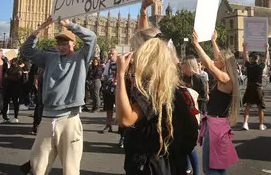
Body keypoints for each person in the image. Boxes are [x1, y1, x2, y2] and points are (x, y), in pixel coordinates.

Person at [116, 27, 199, 174]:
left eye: (135, 50)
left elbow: (125, 119)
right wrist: (143, 11)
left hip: (152, 165)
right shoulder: (167, 82)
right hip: (169, 161)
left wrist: (120, 74)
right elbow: (151, 36)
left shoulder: (152, 88)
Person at [20, 16, 97, 175]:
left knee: (70, 169)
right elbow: (26, 50)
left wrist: (69, 25)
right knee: (38, 167)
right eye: (59, 43)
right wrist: (42, 27)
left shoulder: (81, 58)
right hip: (47, 118)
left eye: (65, 43)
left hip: (69, 118)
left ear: (73, 44)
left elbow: (91, 37)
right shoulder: (49, 57)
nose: (61, 46)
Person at [192, 29, 240, 175]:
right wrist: (213, 41)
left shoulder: (226, 79)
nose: (215, 59)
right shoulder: (227, 77)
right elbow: (216, 60)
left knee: (210, 168)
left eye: (219, 59)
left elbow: (211, 65)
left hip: (216, 126)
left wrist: (196, 44)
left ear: (223, 63)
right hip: (218, 124)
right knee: (218, 166)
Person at [241, 43, 268, 131]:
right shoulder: (260, 66)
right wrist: (267, 48)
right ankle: (261, 125)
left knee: (248, 106)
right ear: (258, 59)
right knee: (260, 107)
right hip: (258, 88)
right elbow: (266, 59)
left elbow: (245, 57)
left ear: (252, 59)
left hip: (249, 88)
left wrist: (244, 48)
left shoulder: (249, 66)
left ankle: (245, 123)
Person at [0, 58, 23, 123]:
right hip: (7, 88)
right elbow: (4, 76)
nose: (11, 63)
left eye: (13, 62)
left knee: (15, 103)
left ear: (16, 62)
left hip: (16, 89)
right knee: (5, 103)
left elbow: (17, 78)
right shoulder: (9, 69)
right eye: (11, 61)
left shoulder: (19, 69)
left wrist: (8, 77)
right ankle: (4, 117)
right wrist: (10, 77)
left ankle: (15, 117)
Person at [101, 48, 118, 133]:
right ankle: (108, 125)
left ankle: (121, 130)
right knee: (109, 108)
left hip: (117, 89)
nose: (110, 55)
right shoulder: (108, 63)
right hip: (108, 88)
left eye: (112, 54)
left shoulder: (120, 63)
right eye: (110, 54)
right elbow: (105, 75)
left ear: (116, 54)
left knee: (119, 109)